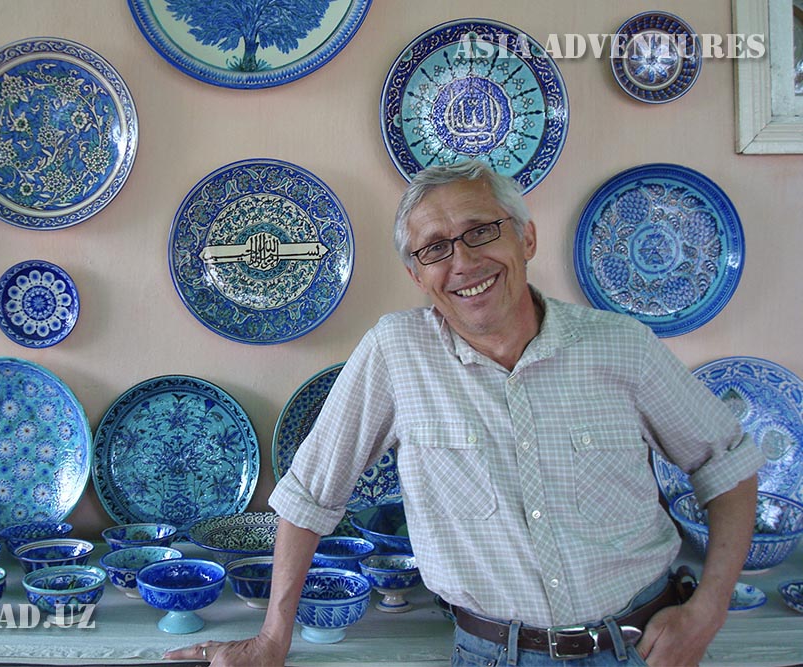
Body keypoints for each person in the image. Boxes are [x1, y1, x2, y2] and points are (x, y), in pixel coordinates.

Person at [165, 160, 763, 667]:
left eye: (481, 232)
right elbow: (308, 495)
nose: (463, 262)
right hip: (492, 653)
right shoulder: (395, 353)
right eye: (435, 248)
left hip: (643, 645)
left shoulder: (621, 344)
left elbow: (728, 465)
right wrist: (272, 639)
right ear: (416, 274)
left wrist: (708, 608)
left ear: (526, 239)